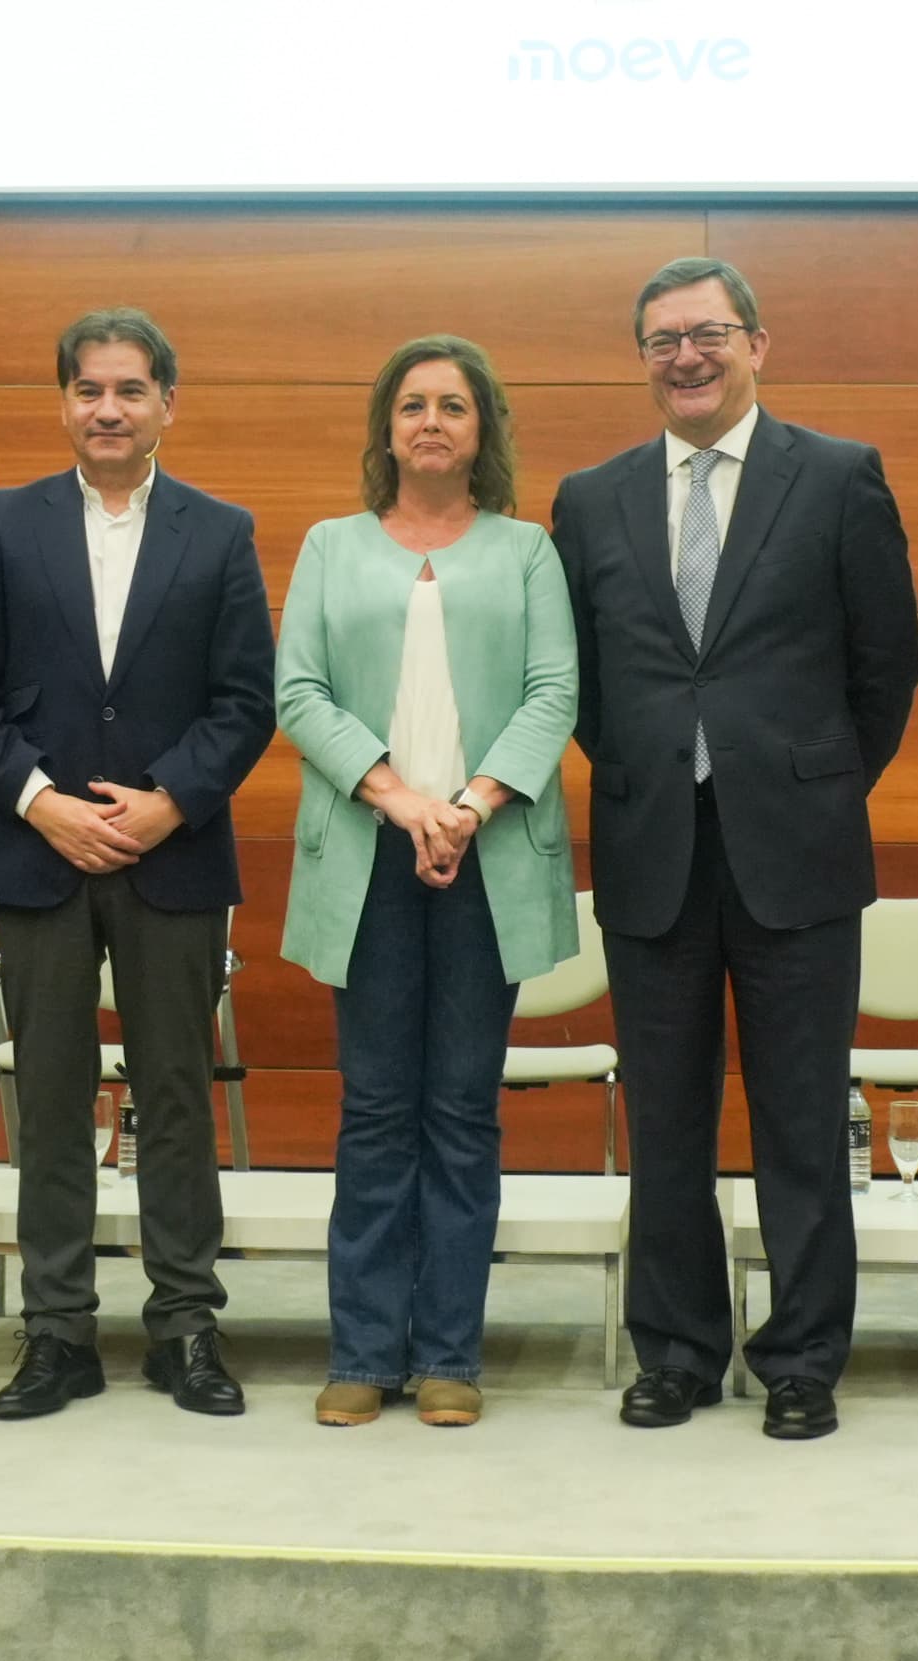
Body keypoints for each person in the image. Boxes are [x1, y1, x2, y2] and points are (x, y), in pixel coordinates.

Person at [549, 257, 918, 1442]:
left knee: (802, 1119)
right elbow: (588, 688)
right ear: (643, 359)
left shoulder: (838, 476)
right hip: (653, 844)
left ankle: (803, 1359)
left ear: (758, 343)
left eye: (707, 334)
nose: (686, 358)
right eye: (662, 341)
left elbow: (887, 668)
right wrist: (664, 769)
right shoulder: (591, 497)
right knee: (664, 1119)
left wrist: (806, 782)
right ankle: (676, 1353)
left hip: (797, 851)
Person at [0, 308, 276, 1422]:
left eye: (130, 389)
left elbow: (245, 703)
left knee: (176, 1091)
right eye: (89, 389)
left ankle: (184, 1325)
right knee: (53, 1094)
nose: (109, 409)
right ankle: (56, 1331)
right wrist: (41, 804)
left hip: (170, 857)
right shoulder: (5, 521)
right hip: (36, 855)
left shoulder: (220, 532)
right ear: (65, 403)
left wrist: (171, 802)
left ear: (167, 403)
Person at [274, 336, 579, 1429]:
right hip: (369, 861)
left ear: (483, 428)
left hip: (486, 860)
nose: (433, 421)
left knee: (461, 1111)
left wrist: (470, 805)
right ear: (386, 430)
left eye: (454, 405)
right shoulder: (329, 546)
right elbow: (298, 692)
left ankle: (448, 1354)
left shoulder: (527, 551)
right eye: (412, 405)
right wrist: (402, 800)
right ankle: (362, 1353)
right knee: (375, 1111)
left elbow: (553, 694)